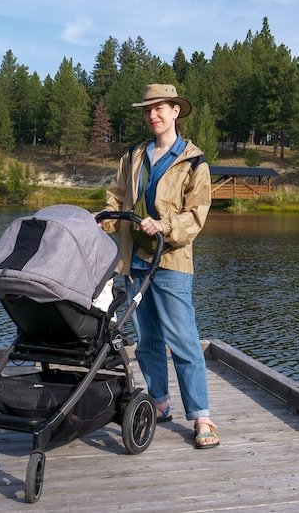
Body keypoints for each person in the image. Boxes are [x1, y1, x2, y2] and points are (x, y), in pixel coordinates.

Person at [101, 83, 218, 449]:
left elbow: (196, 214)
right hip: (135, 261)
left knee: (184, 340)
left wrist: (165, 225)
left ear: (175, 112)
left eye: (160, 109)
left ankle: (201, 416)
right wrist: (105, 218)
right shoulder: (134, 154)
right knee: (148, 338)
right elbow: (117, 193)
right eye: (148, 110)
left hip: (170, 261)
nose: (153, 115)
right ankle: (160, 401)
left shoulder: (194, 161)